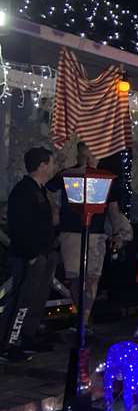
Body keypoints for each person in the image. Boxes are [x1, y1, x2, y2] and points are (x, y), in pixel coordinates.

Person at [47, 142, 130, 328]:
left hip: (96, 232)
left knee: (92, 277)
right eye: (86, 156)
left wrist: (118, 232)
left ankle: (84, 319)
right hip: (72, 231)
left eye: (93, 156)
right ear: (79, 156)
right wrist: (54, 211)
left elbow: (113, 208)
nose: (90, 160)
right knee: (77, 277)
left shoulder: (107, 178)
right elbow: (48, 189)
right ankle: (82, 319)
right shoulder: (68, 175)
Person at [0, 147, 59, 362]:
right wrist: (32, 254)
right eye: (52, 163)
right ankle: (9, 343)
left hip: (42, 255)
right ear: (42, 165)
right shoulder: (24, 191)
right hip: (28, 257)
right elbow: (20, 226)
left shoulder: (40, 190)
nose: (54, 167)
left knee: (37, 298)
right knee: (22, 302)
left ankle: (27, 337)